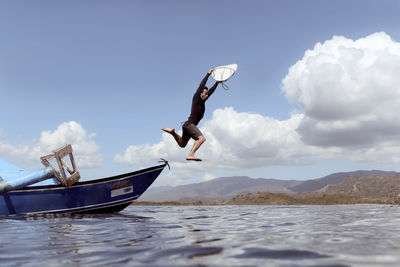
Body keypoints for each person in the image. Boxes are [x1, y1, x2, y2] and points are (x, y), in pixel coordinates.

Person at [162, 68, 220, 161]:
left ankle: (172, 132)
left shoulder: (202, 102)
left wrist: (217, 82)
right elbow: (201, 86)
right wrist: (208, 74)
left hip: (187, 125)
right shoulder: (197, 98)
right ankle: (191, 154)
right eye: (205, 93)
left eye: (207, 94)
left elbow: (211, 91)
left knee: (182, 144)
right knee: (201, 139)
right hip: (189, 125)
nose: (207, 95)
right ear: (200, 93)